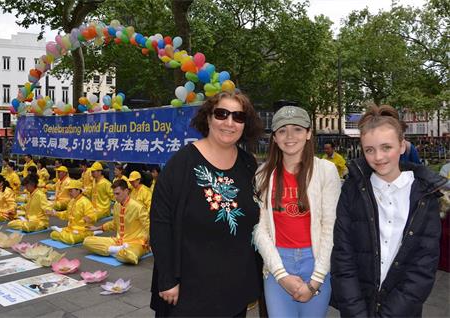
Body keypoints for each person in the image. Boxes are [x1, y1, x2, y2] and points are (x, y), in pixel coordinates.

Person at [150, 91, 263, 317]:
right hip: (189, 291)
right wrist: (167, 279)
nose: (229, 123)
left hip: (235, 289)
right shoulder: (182, 163)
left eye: (238, 117)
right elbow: (160, 223)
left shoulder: (249, 165)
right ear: (208, 118)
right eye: (222, 114)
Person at [331, 105, 446, 317]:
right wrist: (356, 312)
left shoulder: (425, 195)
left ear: (402, 146)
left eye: (386, 147)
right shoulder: (352, 190)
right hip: (358, 308)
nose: (378, 157)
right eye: (369, 150)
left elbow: (423, 266)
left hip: (403, 310)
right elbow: (342, 257)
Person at [253, 106, 341, 317]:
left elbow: (330, 226)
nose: (290, 136)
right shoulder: (263, 174)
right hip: (277, 262)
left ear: (309, 133)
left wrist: (316, 280)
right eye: (282, 130)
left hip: (316, 261)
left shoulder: (326, 171)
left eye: (297, 129)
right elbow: (260, 229)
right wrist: (281, 275)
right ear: (274, 137)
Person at [83, 180, 149, 264]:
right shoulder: (116, 205)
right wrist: (97, 228)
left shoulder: (138, 207)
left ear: (126, 191)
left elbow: (149, 227)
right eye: (114, 194)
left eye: (117, 194)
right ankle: (116, 250)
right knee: (87, 241)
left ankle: (112, 251)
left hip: (135, 243)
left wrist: (150, 243)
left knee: (130, 256)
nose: (115, 197)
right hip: (119, 241)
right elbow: (114, 224)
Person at [47, 180, 97, 245]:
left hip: (82, 230)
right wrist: (55, 213)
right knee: (53, 234)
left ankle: (90, 234)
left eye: (71, 190)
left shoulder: (85, 202)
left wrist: (89, 218)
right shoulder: (71, 201)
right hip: (70, 229)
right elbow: (66, 214)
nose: (69, 193)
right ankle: (63, 233)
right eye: (69, 191)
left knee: (70, 239)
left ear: (78, 190)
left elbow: (93, 216)